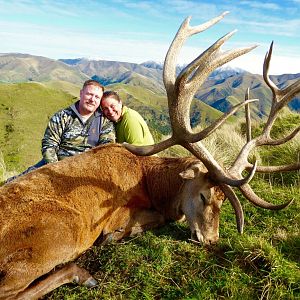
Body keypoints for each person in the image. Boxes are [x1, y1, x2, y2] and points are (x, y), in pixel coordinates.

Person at [6, 80, 115, 182]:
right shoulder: (62, 116)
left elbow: (106, 150)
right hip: (56, 165)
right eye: (89, 94)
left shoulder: (104, 122)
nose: (92, 99)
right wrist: (57, 171)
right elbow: (49, 145)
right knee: (16, 183)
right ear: (81, 93)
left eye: (97, 97)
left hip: (87, 169)